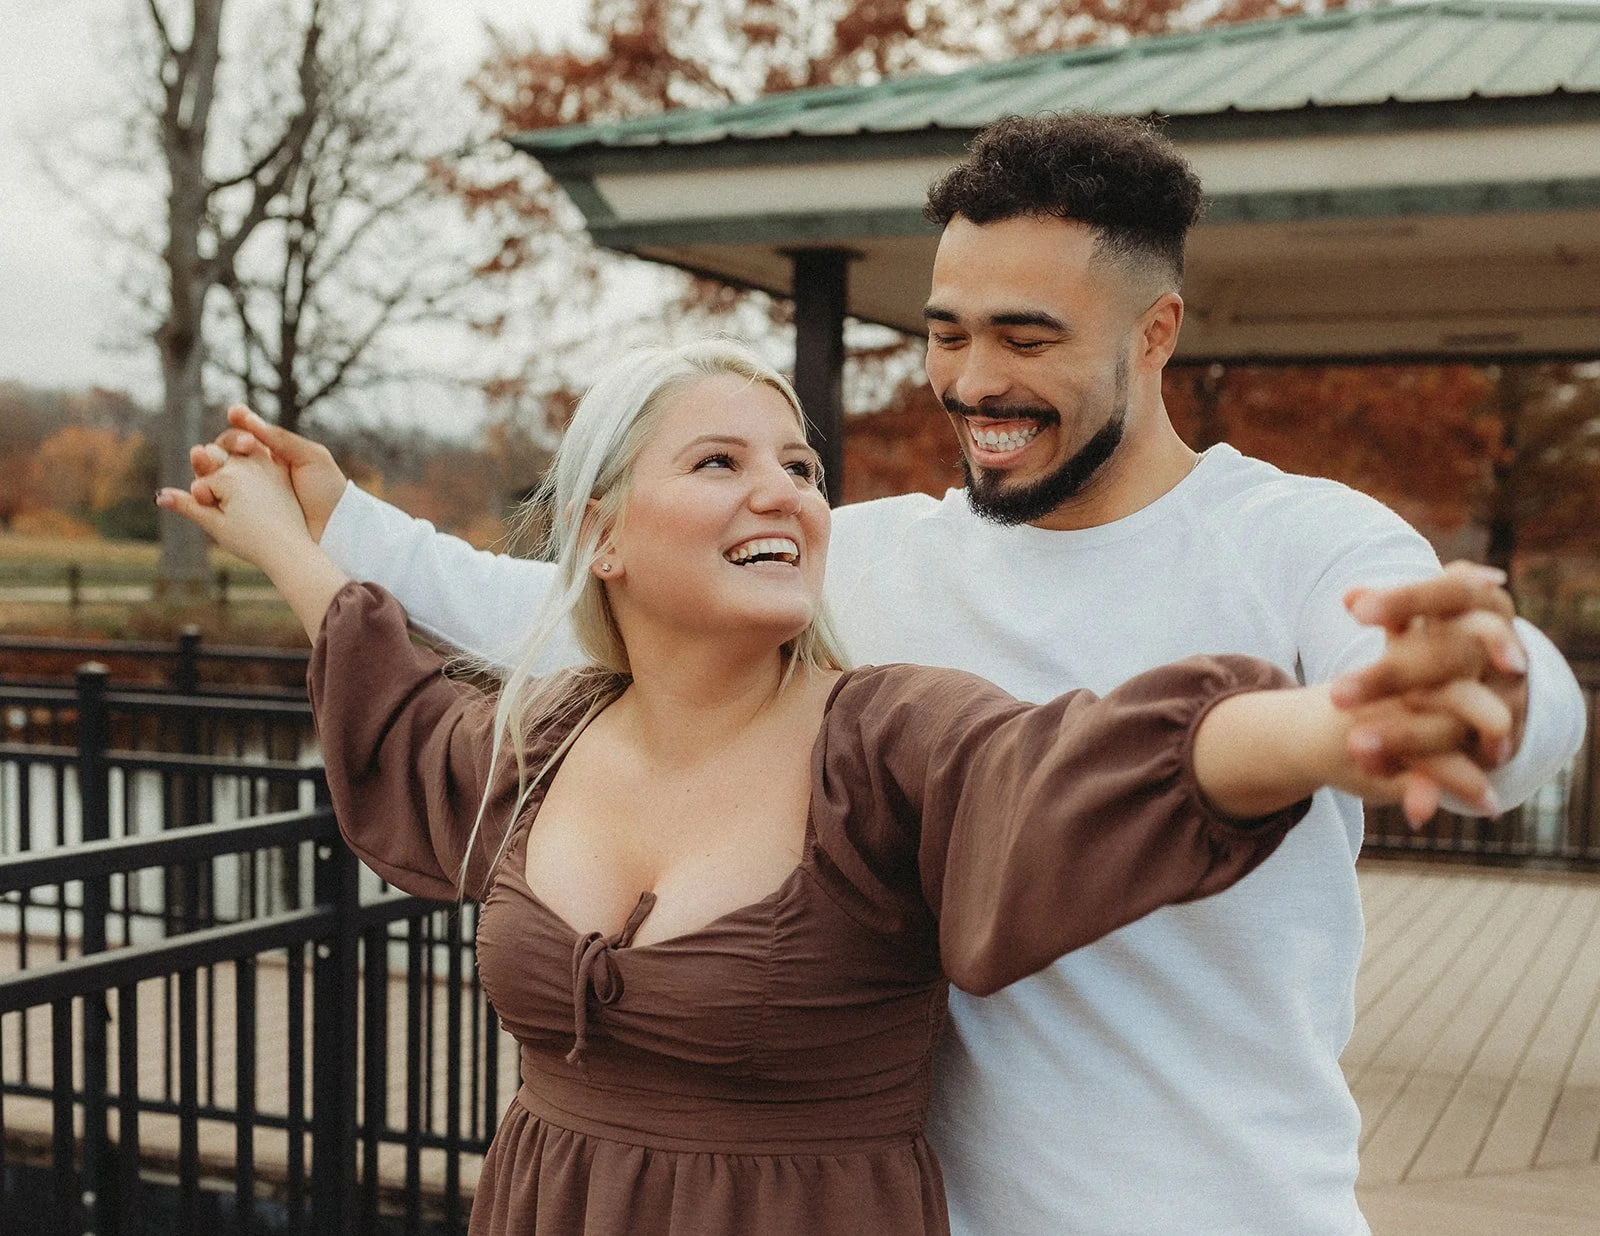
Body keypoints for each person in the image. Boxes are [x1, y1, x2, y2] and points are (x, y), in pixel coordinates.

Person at [189, 117, 1586, 1234]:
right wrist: (343, 522)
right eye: (945, 330)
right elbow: (568, 605)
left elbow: (1466, 693)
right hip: (913, 1200)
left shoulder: (1298, 539)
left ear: (1154, 336)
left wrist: (1471, 697)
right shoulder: (863, 560)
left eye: (1026, 338)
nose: (972, 380)